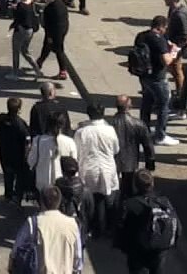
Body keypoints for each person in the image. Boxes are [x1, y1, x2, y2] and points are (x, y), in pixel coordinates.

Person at [115, 170, 181, 273]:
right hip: (159, 251)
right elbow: (178, 226)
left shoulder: (129, 204)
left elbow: (120, 228)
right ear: (152, 183)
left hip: (137, 252)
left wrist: (124, 248)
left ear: (135, 185)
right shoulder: (164, 202)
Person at [131, 16, 179, 146]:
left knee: (146, 102)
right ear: (161, 27)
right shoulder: (158, 40)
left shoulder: (141, 35)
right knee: (163, 105)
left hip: (144, 76)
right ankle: (160, 136)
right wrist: (173, 52)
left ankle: (144, 130)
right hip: (157, 77)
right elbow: (166, 60)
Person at [10, 187, 83, 274]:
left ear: (41, 202)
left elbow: (16, 248)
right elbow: (78, 256)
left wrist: (11, 266)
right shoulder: (72, 224)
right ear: (59, 202)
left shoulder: (33, 223)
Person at [73, 103, 119, 237]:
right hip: (107, 167)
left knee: (91, 200)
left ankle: (93, 227)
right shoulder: (110, 130)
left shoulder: (81, 132)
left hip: (89, 168)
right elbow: (116, 149)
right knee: (106, 198)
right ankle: (106, 226)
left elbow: (76, 151)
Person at [111, 95, 156, 200]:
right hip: (130, 161)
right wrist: (150, 162)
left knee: (113, 189)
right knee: (128, 189)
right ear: (129, 106)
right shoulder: (138, 124)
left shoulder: (110, 124)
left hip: (114, 160)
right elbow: (147, 144)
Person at [0, 97, 32, 204]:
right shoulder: (20, 123)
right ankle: (17, 197)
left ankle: (8, 195)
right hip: (18, 156)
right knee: (19, 176)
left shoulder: (1, 119)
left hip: (4, 154)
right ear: (19, 109)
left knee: (7, 175)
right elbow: (27, 140)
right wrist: (28, 154)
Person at [29, 113, 77, 193]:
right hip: (64, 185)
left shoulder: (38, 140)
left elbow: (31, 162)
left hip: (43, 185)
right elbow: (74, 164)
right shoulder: (69, 142)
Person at [8, 0, 42, 80]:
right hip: (30, 30)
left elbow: (17, 18)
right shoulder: (32, 3)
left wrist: (14, 9)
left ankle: (14, 73)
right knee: (25, 51)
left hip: (21, 30)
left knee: (16, 51)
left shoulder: (20, 5)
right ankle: (37, 70)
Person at [37, 0, 71, 80]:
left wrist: (50, 36)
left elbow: (50, 23)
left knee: (58, 49)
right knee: (47, 45)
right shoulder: (58, 1)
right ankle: (40, 61)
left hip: (56, 31)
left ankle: (63, 71)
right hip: (60, 29)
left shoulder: (53, 5)